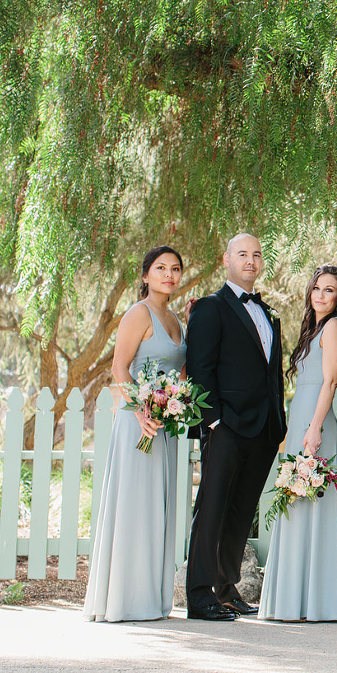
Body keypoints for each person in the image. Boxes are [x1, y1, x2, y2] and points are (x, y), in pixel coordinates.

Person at [185, 233, 286, 621]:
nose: (251, 260)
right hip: (225, 426)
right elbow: (200, 369)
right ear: (227, 259)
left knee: (241, 511)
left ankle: (226, 589)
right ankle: (199, 595)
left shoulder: (268, 313)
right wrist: (213, 421)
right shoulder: (210, 308)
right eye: (242, 254)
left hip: (263, 430)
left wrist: (277, 422)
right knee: (211, 510)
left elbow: (271, 374)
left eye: (257, 255)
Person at [84, 246, 186, 622]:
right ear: (145, 275)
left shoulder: (175, 318)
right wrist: (143, 411)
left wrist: (177, 404)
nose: (168, 275)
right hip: (138, 424)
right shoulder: (137, 314)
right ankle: (125, 600)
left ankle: (151, 599)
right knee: (134, 508)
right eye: (160, 268)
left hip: (165, 425)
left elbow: (181, 373)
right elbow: (119, 367)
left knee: (155, 509)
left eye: (175, 269)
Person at [259, 265, 337, 623]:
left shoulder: (334, 327)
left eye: (329, 290)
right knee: (295, 504)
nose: (321, 295)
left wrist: (313, 429)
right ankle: (291, 599)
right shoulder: (313, 329)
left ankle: (312, 601)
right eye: (317, 288)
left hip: (316, 422)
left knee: (311, 504)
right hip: (302, 420)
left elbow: (330, 382)